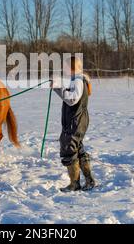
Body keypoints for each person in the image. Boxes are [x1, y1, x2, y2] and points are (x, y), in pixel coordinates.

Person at [51, 56, 95, 192]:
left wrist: (58, 88)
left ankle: (75, 184)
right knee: (77, 148)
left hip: (75, 121)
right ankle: (89, 180)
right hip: (78, 120)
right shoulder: (78, 80)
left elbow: (72, 100)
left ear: (71, 68)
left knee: (69, 147)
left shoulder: (77, 81)